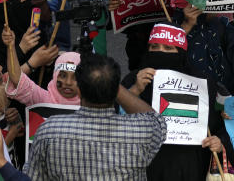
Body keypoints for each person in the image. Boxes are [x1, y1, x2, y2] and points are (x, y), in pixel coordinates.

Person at [24, 54, 166, 181]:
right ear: (116, 89)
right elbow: (156, 120)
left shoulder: (49, 130)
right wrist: (110, 83)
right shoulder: (141, 131)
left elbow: (33, 176)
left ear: (79, 91)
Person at [122, 24, 228, 180]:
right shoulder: (133, 79)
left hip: (192, 166)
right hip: (146, 166)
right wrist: (134, 91)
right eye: (154, 47)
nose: (160, 52)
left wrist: (220, 142)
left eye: (168, 48)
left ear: (181, 53)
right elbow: (112, 120)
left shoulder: (202, 82)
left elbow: (224, 123)